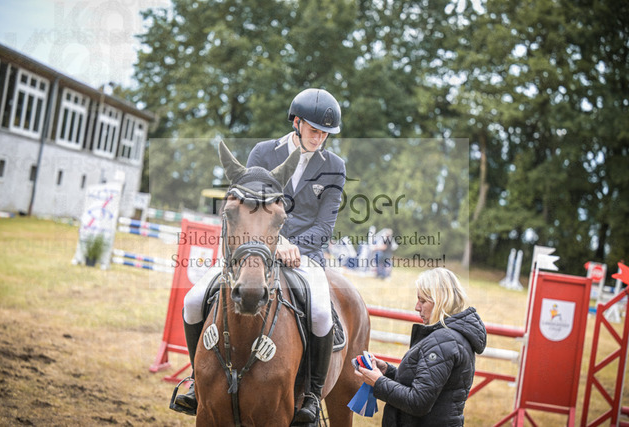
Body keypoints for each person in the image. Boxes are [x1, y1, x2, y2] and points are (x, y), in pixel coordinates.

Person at [174, 88, 346, 423]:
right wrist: (274, 242)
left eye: (325, 133)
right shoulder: (263, 152)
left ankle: (311, 395)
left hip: (304, 256)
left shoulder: (334, 167)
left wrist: (292, 247)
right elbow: (245, 205)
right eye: (314, 130)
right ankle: (197, 381)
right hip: (251, 248)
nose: (319, 138)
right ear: (297, 122)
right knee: (193, 301)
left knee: (321, 313)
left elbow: (324, 226)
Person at [354, 267, 487, 426]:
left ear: (441, 301)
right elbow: (427, 385)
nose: (417, 307)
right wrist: (387, 372)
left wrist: (378, 382)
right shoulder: (451, 337)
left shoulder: (443, 340)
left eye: (423, 301)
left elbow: (418, 402)